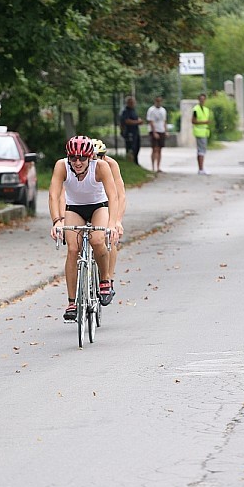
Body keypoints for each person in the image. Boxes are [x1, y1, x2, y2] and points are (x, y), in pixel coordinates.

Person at [49, 136, 119, 322]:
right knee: (73, 249)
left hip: (99, 206)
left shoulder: (101, 167)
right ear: (68, 158)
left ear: (90, 157)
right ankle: (72, 302)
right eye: (73, 158)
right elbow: (54, 195)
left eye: (82, 158)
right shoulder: (62, 166)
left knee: (97, 240)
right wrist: (57, 221)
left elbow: (113, 196)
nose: (78, 162)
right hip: (74, 208)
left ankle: (104, 279)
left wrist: (112, 224)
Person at [92, 139, 126, 294]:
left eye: (99, 156)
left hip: (106, 202)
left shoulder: (111, 165)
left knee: (109, 237)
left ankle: (109, 278)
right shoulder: (82, 166)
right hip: (87, 202)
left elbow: (120, 195)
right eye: (92, 157)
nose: (95, 160)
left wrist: (117, 221)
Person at [146, 96, 168, 173]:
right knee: (154, 149)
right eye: (157, 101)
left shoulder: (163, 110)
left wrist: (166, 131)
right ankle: (153, 167)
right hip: (154, 131)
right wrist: (154, 132)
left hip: (161, 130)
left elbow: (164, 121)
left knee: (159, 149)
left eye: (160, 101)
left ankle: (158, 167)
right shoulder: (151, 110)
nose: (159, 102)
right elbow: (151, 121)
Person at [192, 93, 211, 175]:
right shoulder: (196, 109)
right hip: (199, 131)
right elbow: (193, 121)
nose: (202, 101)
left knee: (202, 151)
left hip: (205, 131)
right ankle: (201, 169)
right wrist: (204, 122)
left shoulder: (206, 109)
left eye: (203, 99)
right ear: (198, 100)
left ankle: (201, 168)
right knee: (201, 151)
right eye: (201, 99)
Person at [120, 96, 143, 164]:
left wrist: (139, 120)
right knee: (131, 149)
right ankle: (130, 162)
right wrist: (137, 122)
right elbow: (126, 121)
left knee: (136, 148)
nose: (133, 104)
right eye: (132, 102)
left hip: (135, 132)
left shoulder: (133, 111)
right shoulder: (125, 111)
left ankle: (135, 162)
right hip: (129, 133)